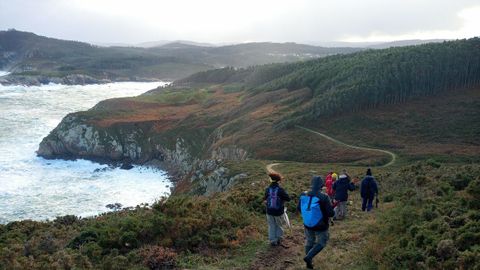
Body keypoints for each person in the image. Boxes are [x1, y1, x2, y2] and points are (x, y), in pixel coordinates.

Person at [298, 176, 335, 269]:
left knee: (309, 241)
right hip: (321, 225)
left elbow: (299, 208)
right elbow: (330, 213)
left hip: (307, 223)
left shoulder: (303, 194)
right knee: (322, 242)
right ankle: (309, 257)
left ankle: (308, 264)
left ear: (311, 184)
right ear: (321, 185)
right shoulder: (324, 196)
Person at [264, 172, 291, 246]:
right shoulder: (280, 189)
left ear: (271, 180)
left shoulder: (267, 189)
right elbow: (288, 198)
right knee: (279, 225)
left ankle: (273, 240)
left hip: (269, 211)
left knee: (271, 225)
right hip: (279, 211)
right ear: (278, 180)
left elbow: (265, 199)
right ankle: (279, 239)